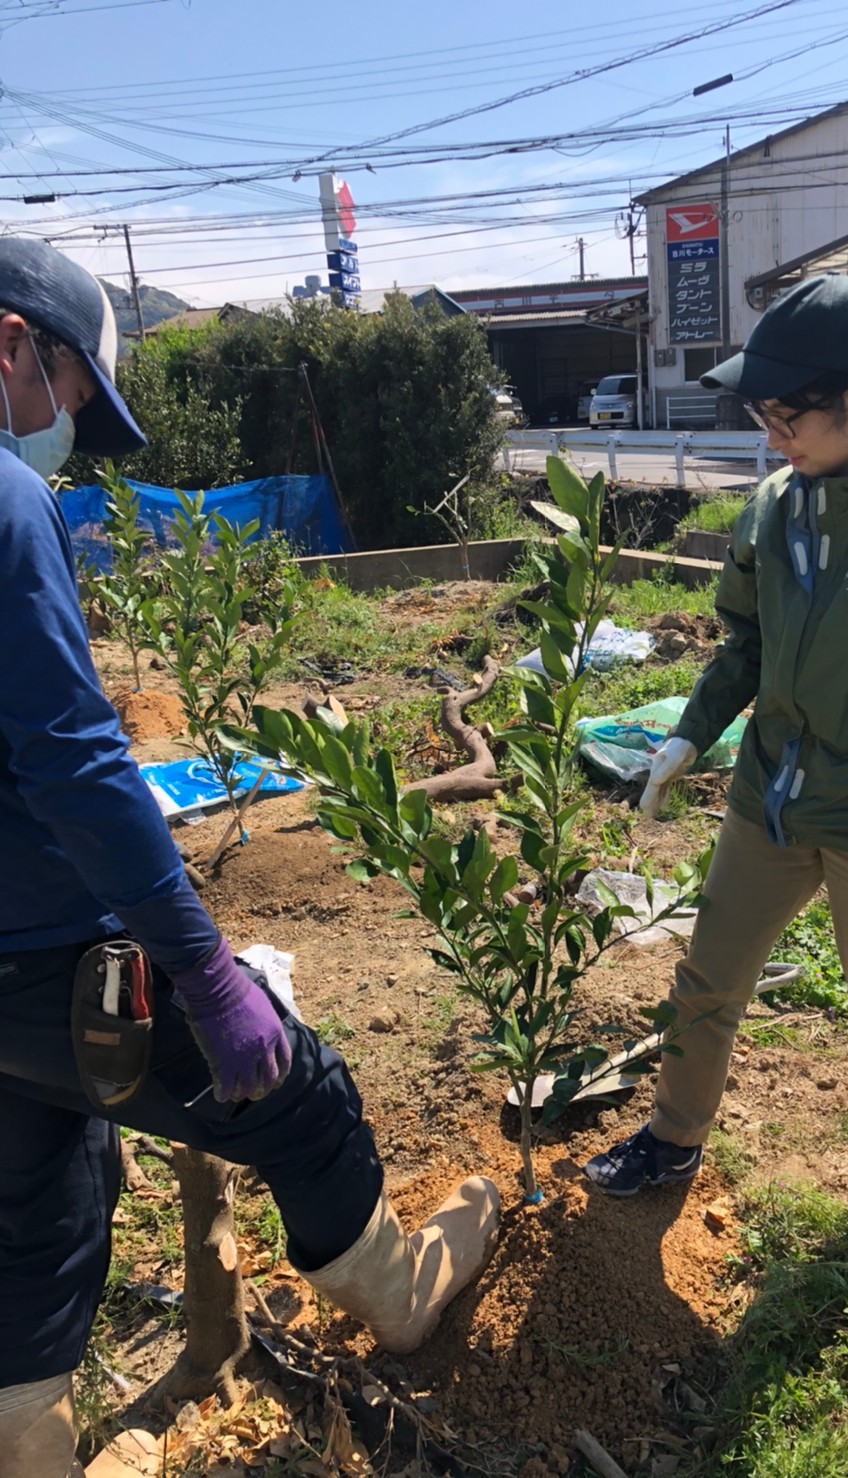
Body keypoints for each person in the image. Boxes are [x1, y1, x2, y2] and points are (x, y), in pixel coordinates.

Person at [0, 237, 499, 1478]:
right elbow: (75, 764)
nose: (63, 433)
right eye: (67, 400)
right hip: (48, 954)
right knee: (303, 1102)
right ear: (14, 346)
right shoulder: (7, 503)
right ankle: (402, 1296)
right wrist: (202, 963)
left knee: (31, 1226)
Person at [583, 275, 848, 1285]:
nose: (772, 434)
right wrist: (689, 735)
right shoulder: (776, 504)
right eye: (761, 415)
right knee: (706, 981)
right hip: (768, 801)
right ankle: (673, 1135)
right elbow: (742, 639)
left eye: (787, 414)